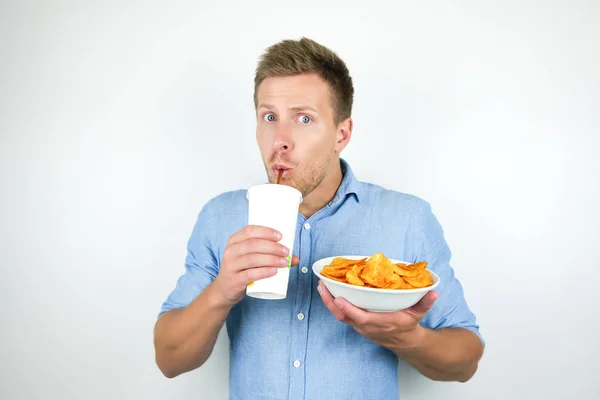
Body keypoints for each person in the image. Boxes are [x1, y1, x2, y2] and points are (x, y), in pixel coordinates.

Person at [154, 37, 484, 400]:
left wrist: (407, 338)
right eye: (269, 117)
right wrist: (221, 292)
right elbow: (170, 360)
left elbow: (465, 360)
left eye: (304, 118)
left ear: (341, 134)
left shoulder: (407, 219)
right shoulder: (220, 217)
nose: (280, 140)